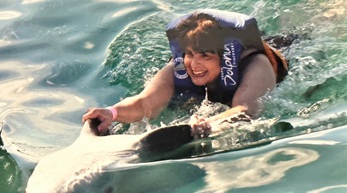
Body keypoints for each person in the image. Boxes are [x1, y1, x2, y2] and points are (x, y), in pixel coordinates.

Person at [83, 9, 288, 136]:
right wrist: (112, 112)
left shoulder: (256, 65)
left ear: (225, 57)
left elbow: (246, 109)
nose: (194, 64)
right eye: (190, 54)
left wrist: (210, 124)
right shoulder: (177, 68)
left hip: (289, 48)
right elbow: (145, 102)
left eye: (205, 56)